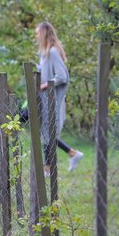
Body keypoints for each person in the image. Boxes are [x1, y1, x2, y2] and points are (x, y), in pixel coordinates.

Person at [33, 22, 83, 177]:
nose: (36, 36)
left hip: (52, 99)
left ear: (44, 33)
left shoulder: (53, 52)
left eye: (37, 33)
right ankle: (72, 154)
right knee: (46, 131)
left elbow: (62, 76)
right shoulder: (45, 53)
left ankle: (48, 168)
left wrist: (45, 86)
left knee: (48, 132)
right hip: (45, 99)